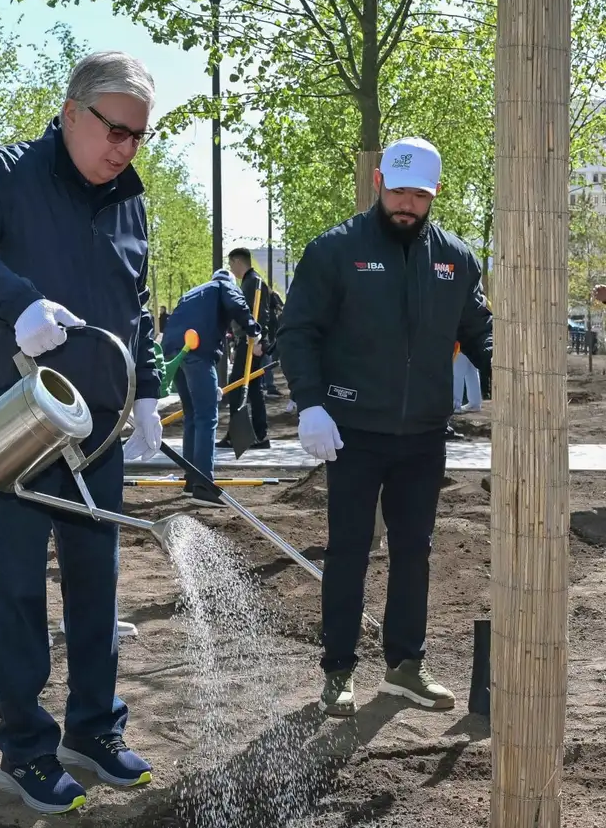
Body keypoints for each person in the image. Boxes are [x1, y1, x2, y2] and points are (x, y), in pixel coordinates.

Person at [0, 51, 161, 815]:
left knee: (98, 583)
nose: (124, 147)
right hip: (14, 416)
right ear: (70, 112)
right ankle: (24, 748)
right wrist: (17, 301)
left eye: (138, 136)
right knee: (17, 590)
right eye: (114, 129)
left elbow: (139, 302)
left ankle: (93, 728)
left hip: (98, 430)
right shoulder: (6, 175)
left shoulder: (130, 202)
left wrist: (148, 391)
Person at [278, 136, 492, 718]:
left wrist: (516, 380)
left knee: (414, 550)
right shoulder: (335, 250)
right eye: (397, 191)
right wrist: (310, 404)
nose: (406, 204)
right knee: (348, 549)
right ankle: (338, 672)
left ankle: (405, 666)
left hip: (423, 434)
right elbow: (298, 332)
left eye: (418, 195)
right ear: (378, 184)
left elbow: (480, 331)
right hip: (352, 430)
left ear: (434, 195)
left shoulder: (456, 258)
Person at [162, 269, 261, 506]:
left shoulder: (192, 293)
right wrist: (253, 330)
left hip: (173, 350)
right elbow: (237, 303)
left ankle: (191, 479)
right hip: (197, 350)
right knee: (207, 418)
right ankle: (204, 484)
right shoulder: (223, 285)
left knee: (193, 417)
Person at [216, 247, 270, 449]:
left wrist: (258, 342)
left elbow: (259, 314)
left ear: (238, 262)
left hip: (250, 344)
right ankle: (258, 434)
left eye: (231, 264)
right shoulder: (250, 282)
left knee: (238, 387)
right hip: (248, 343)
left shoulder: (252, 283)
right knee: (252, 389)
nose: (232, 269)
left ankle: (243, 435)